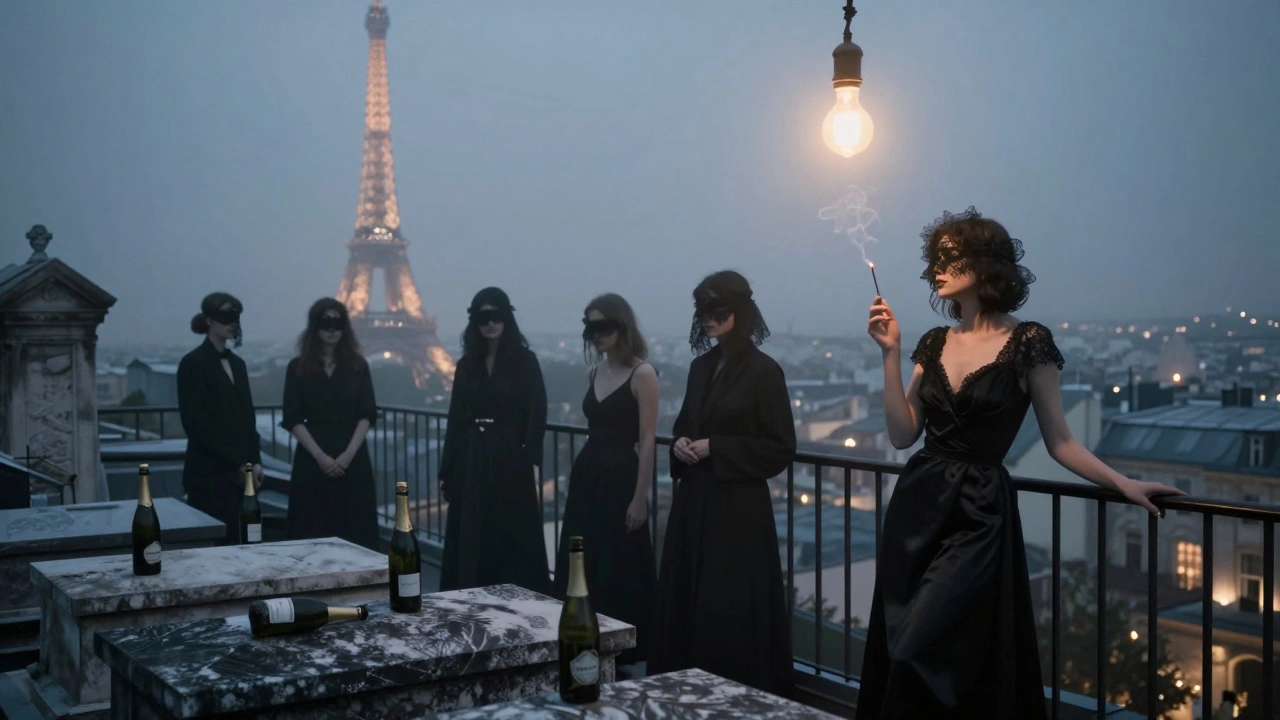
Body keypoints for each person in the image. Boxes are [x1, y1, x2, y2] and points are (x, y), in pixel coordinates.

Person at [855, 208, 1185, 719]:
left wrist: (1124, 483)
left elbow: (1061, 442)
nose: (936, 269)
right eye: (934, 260)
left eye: (950, 258)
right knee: (911, 645)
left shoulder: (1029, 342)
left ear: (986, 264)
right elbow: (902, 436)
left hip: (977, 512)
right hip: (916, 508)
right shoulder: (933, 342)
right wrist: (890, 353)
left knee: (918, 648)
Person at [649, 270, 797, 695]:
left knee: (725, 606)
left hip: (737, 513)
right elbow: (686, 424)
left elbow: (779, 448)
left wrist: (717, 448)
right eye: (703, 310)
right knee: (691, 600)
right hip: (695, 504)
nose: (708, 319)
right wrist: (680, 444)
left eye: (718, 310)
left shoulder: (764, 372)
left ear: (740, 311)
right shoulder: (701, 368)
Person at [552, 293, 659, 671]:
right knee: (586, 556)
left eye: (603, 326)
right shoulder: (594, 372)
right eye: (590, 327)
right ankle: (584, 640)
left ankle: (621, 650)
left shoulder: (643, 374)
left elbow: (647, 439)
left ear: (622, 326)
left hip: (619, 474)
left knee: (619, 560)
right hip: (589, 471)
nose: (595, 334)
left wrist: (640, 498)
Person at [438, 287, 550, 594]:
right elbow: (456, 418)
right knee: (477, 529)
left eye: (497, 316)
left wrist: (528, 455)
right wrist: (448, 470)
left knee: (509, 529)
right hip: (473, 453)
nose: (491, 323)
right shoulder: (466, 365)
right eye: (484, 317)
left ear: (507, 319)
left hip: (509, 455)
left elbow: (538, 409)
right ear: (475, 321)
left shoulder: (525, 361)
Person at [280, 298, 379, 550]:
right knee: (313, 530)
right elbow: (292, 417)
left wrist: (346, 457)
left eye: (338, 324)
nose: (333, 330)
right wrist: (321, 457)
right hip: (314, 458)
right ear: (314, 328)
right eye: (326, 324)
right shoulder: (297, 368)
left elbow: (367, 414)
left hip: (351, 457)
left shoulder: (358, 366)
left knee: (354, 533)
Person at [177, 292, 263, 544]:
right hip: (210, 476)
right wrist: (240, 463)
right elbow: (196, 425)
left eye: (235, 317)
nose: (233, 322)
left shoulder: (238, 364)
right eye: (226, 316)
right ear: (209, 320)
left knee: (246, 542)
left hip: (240, 476)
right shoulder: (192, 364)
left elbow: (248, 418)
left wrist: (254, 461)